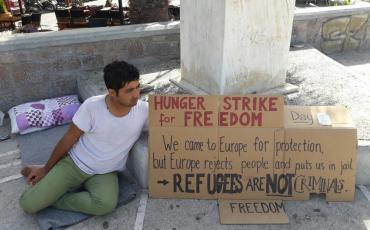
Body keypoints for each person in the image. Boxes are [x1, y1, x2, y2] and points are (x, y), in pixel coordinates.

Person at [19, 60, 148, 216]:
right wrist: (46, 168)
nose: (136, 95)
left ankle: (54, 198)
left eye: (137, 87)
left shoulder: (143, 110)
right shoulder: (92, 107)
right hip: (76, 164)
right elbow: (68, 139)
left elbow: (170, 121)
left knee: (105, 205)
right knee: (28, 204)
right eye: (129, 91)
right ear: (112, 92)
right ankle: (43, 175)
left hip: (105, 172)